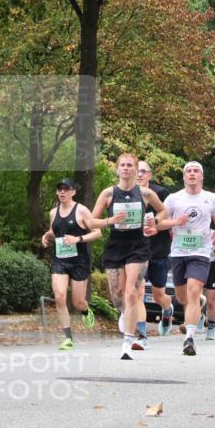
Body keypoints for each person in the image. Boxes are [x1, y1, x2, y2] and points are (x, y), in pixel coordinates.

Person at [88, 153, 167, 359]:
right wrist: (110, 221)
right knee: (118, 296)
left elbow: (163, 211)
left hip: (138, 245)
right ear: (117, 169)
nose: (126, 168)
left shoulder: (146, 193)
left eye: (130, 165)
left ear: (135, 169)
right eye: (122, 165)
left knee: (132, 293)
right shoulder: (108, 194)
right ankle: (125, 313)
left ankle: (128, 342)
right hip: (115, 244)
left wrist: (155, 222)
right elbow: (91, 221)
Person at [147, 161, 215, 356]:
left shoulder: (211, 198)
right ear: (183, 177)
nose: (192, 174)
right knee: (183, 298)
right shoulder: (174, 199)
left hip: (201, 252)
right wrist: (176, 222)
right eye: (188, 171)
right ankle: (195, 306)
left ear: (201, 176)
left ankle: (189, 338)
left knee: (193, 291)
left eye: (196, 171)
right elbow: (159, 223)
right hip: (178, 253)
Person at [40, 178, 101, 350]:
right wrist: (47, 235)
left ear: (73, 192)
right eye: (60, 189)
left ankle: (85, 310)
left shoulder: (81, 210)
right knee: (59, 296)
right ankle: (68, 338)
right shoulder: (53, 212)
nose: (62, 192)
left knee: (78, 302)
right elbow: (55, 230)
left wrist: (78, 239)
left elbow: (97, 233)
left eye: (66, 189)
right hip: (60, 260)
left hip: (79, 261)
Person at [136, 159, 172, 342]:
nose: (139, 174)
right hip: (136, 252)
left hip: (158, 251)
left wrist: (156, 226)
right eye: (137, 170)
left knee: (158, 296)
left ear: (149, 175)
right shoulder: (125, 194)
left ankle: (167, 309)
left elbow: (171, 221)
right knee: (138, 292)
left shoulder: (161, 193)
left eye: (143, 171)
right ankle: (141, 334)